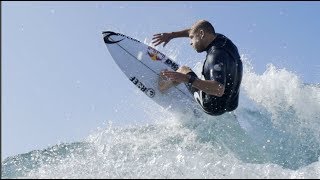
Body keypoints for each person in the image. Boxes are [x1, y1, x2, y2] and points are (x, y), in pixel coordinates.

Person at [152, 20, 243, 116]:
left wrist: (187, 78)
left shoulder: (214, 56)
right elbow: (193, 30)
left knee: (184, 70)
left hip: (212, 106)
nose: (190, 43)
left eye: (191, 38)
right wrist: (172, 35)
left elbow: (218, 90)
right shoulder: (224, 41)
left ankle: (163, 86)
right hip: (232, 104)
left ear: (201, 34)